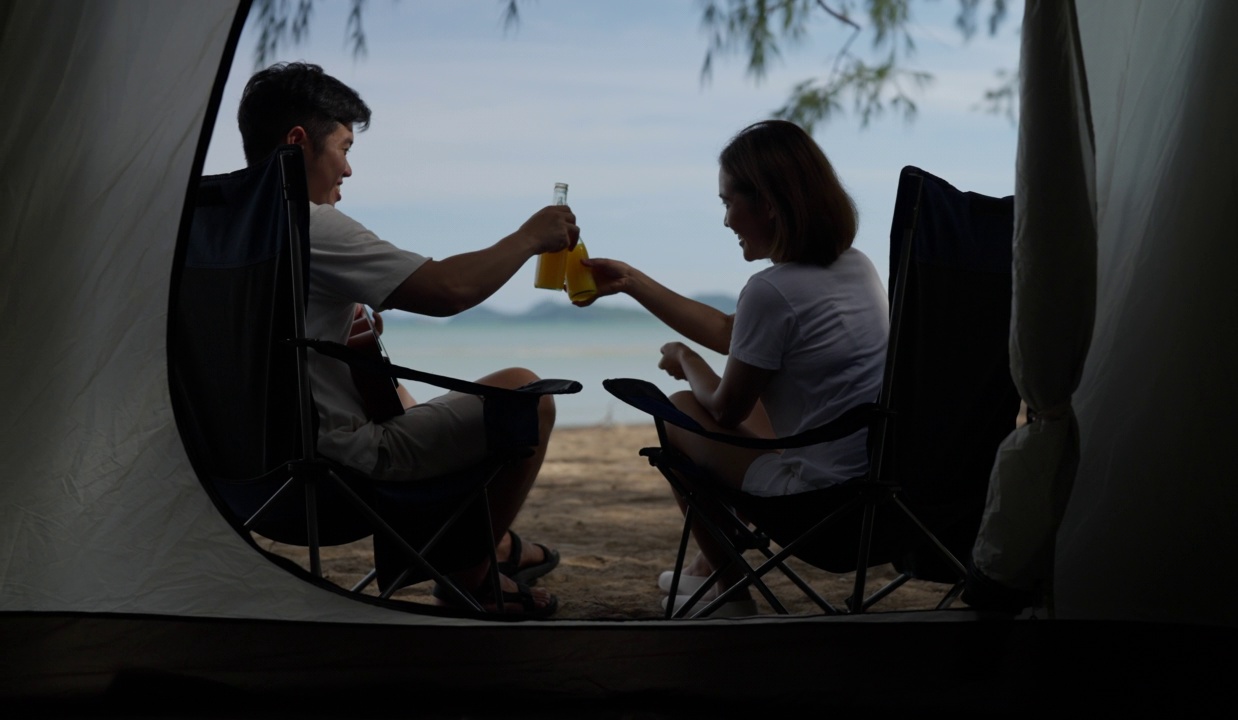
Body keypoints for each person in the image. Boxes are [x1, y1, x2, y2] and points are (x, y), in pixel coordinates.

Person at [237, 62, 574, 616]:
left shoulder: (211, 230)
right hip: (328, 473)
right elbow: (449, 290)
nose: (347, 170)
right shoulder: (307, 222)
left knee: (404, 401)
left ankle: (497, 546)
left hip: (236, 473)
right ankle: (469, 569)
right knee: (525, 395)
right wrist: (529, 237)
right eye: (343, 148)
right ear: (298, 143)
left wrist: (340, 328)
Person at [578, 120, 889, 616]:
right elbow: (733, 332)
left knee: (678, 412)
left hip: (823, 502)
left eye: (727, 202)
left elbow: (724, 410)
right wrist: (633, 281)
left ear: (766, 202)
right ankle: (706, 566)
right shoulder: (857, 265)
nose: (725, 220)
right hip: (878, 487)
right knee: (766, 389)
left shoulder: (772, 290)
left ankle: (730, 590)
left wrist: (685, 360)